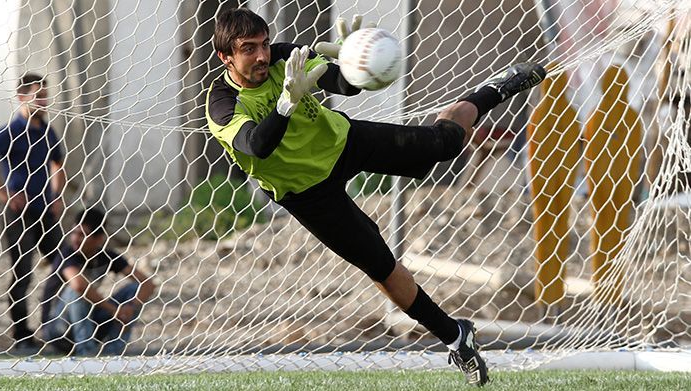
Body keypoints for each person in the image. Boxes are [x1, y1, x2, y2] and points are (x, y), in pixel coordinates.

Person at [206, 8, 546, 386]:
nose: (262, 56)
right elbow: (258, 145)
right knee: (380, 267)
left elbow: (347, 86)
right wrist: (286, 104)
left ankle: (495, 88)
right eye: (248, 49)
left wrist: (354, 59)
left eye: (265, 44)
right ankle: (455, 337)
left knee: (444, 143)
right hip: (306, 193)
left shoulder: (286, 58)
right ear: (226, 57)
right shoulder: (221, 104)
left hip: (342, 143)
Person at [0, 73, 66, 352]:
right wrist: (4, 193)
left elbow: (57, 164)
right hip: (19, 214)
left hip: (46, 211)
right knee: (23, 272)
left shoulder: (48, 131)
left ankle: (55, 324)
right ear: (23, 97)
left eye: (46, 95)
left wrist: (57, 196)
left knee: (63, 264)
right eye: (38, 95)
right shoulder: (10, 131)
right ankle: (21, 333)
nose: (44, 101)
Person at [43, 209, 156, 356]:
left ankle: (114, 353)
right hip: (58, 329)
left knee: (134, 289)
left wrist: (130, 307)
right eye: (74, 233)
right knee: (76, 291)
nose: (75, 239)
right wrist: (113, 310)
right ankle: (86, 353)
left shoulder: (106, 256)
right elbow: (79, 286)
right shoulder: (67, 254)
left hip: (91, 323)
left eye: (82, 235)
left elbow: (148, 283)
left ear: (99, 239)